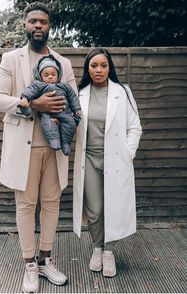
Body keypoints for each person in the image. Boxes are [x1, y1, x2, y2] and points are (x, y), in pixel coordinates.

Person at [0, 2, 78, 293]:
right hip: (23, 148)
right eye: (32, 21)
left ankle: (46, 259)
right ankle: (29, 263)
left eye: (43, 21)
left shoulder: (63, 63)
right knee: (26, 206)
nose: (38, 26)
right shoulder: (11, 59)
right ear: (25, 25)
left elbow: (73, 99)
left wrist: (62, 107)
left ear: (49, 26)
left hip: (54, 149)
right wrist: (31, 105)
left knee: (52, 204)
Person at [73, 48, 142, 278]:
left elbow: (135, 127)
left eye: (103, 65)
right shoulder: (80, 93)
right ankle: (97, 248)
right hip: (90, 159)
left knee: (113, 207)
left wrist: (128, 152)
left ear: (109, 67)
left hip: (115, 160)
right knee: (95, 210)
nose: (99, 70)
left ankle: (109, 252)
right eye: (94, 66)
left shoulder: (122, 92)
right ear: (88, 69)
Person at [18, 54, 81, 156]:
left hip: (64, 112)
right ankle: (54, 141)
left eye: (53, 74)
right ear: (40, 76)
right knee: (48, 125)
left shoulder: (64, 86)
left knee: (71, 124)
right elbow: (30, 90)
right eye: (46, 75)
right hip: (47, 114)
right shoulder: (39, 85)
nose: (50, 77)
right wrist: (25, 98)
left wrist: (76, 109)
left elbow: (72, 97)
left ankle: (66, 143)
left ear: (58, 74)